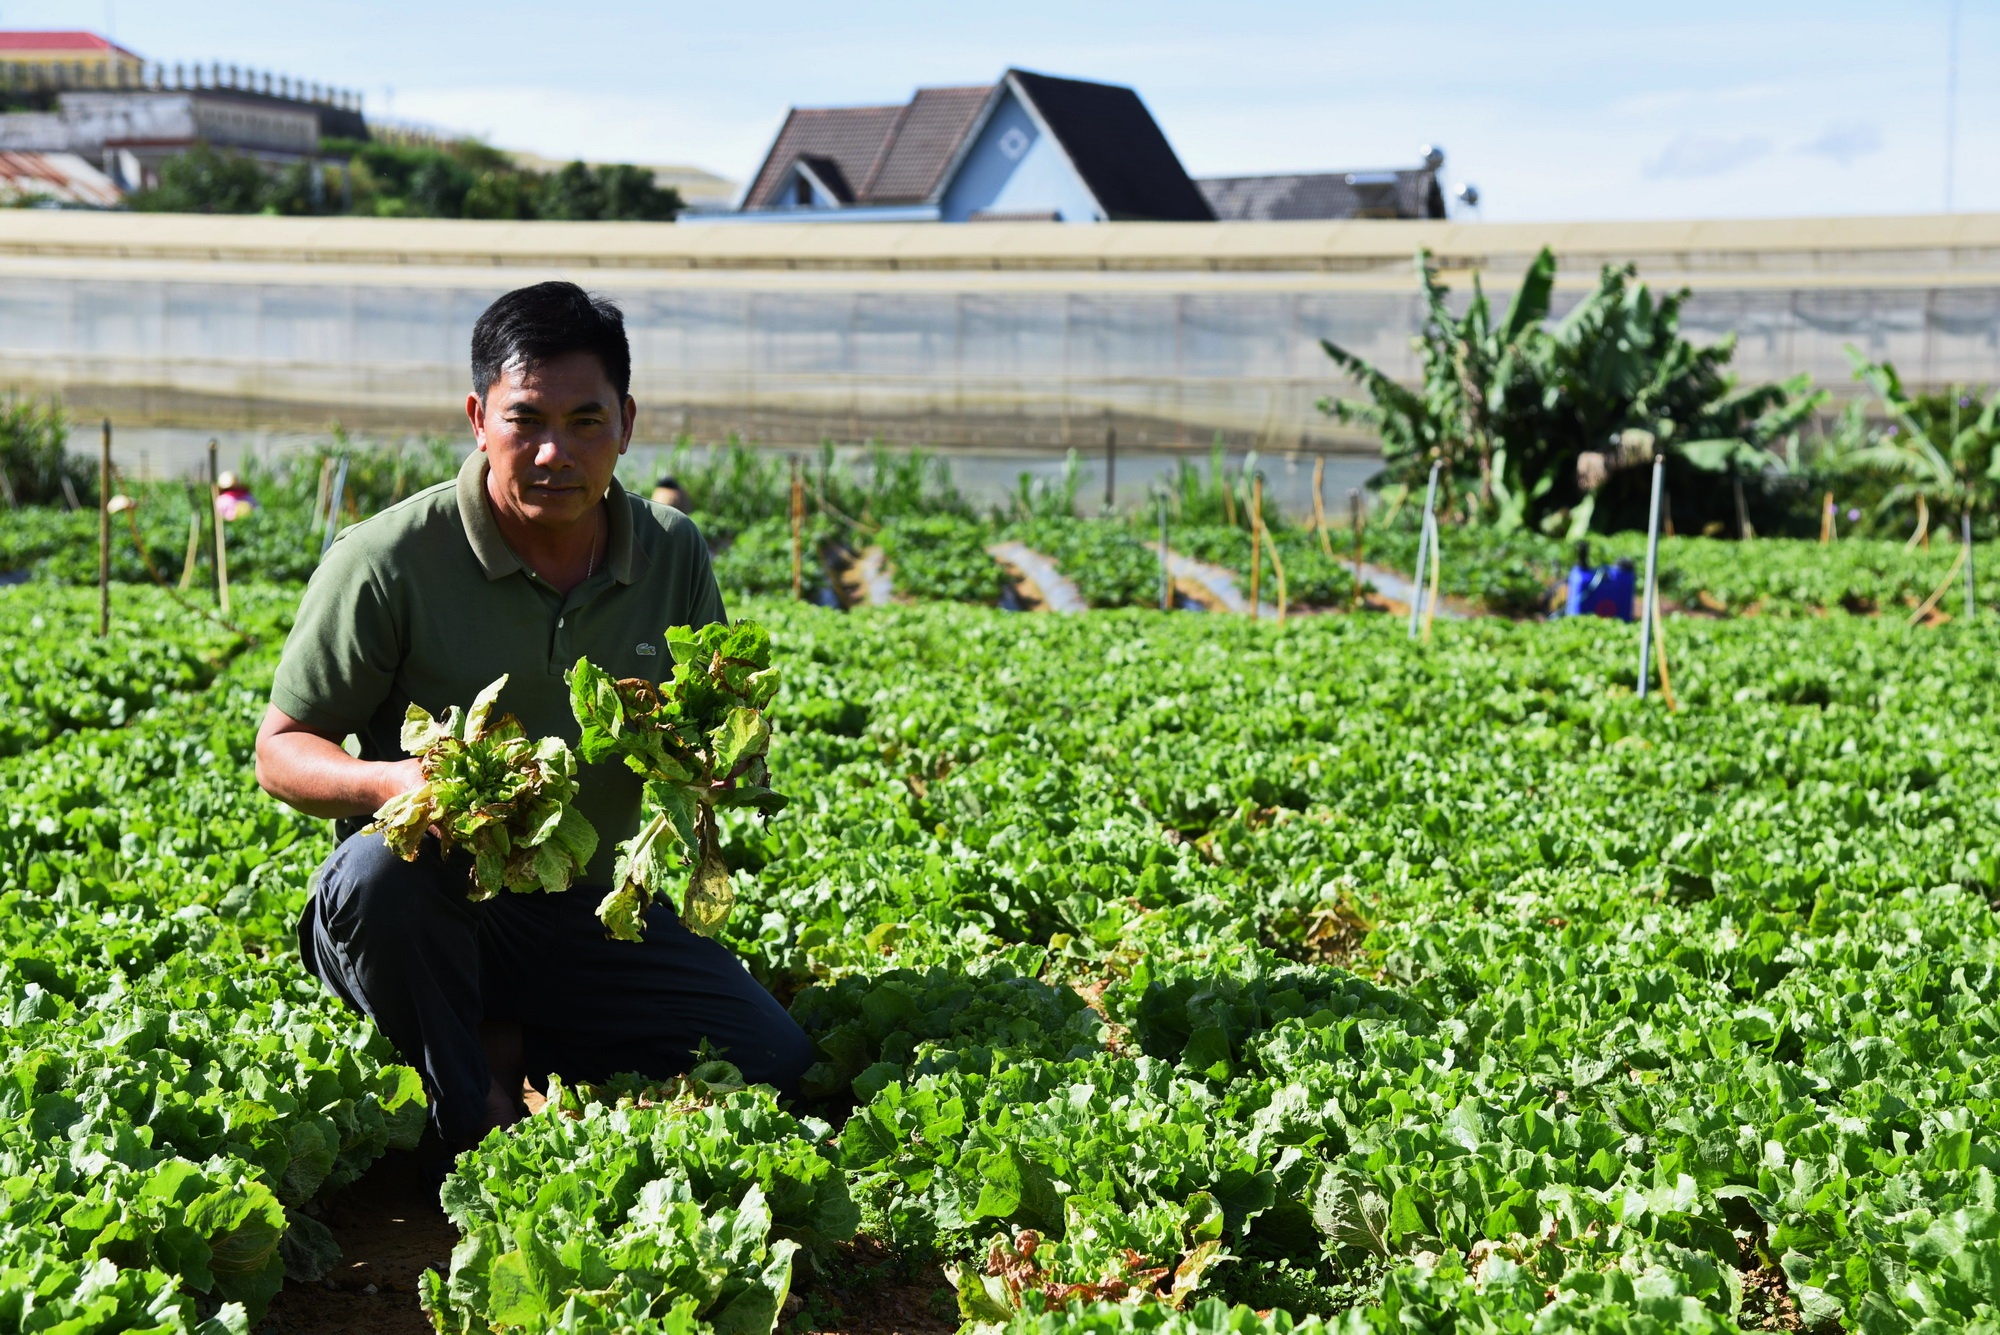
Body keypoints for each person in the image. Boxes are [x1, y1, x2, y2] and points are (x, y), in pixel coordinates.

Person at [254, 280, 812, 1155]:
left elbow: (704, 714)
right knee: (376, 878)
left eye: (586, 422)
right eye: (527, 421)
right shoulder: (386, 559)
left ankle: (505, 1031)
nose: (555, 452)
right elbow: (281, 750)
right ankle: (469, 1102)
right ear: (479, 418)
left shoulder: (672, 552)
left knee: (772, 1058)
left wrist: (718, 756)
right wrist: (391, 781)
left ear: (627, 423)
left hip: (586, 909)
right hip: (433, 908)